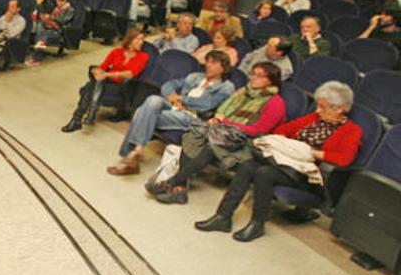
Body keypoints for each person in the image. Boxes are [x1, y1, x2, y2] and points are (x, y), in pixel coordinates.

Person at [194, 82, 362, 242]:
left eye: (323, 107)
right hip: (284, 163)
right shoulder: (313, 118)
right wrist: (287, 146)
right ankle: (223, 216)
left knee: (263, 171)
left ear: (340, 109)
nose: (317, 110)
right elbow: (283, 130)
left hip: (307, 175)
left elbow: (344, 158)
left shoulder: (352, 131)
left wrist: (309, 153)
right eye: (317, 105)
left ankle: (257, 224)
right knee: (248, 166)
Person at [148, 62, 287, 204]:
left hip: (248, 142)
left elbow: (258, 130)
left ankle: (171, 182)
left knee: (211, 146)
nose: (253, 78)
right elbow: (222, 110)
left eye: (260, 76)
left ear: (271, 80)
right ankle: (180, 190)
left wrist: (225, 122)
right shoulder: (244, 91)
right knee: (193, 135)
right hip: (226, 132)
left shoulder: (276, 103)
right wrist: (217, 120)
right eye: (253, 74)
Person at [107, 51, 235, 175]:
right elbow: (169, 84)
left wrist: (182, 99)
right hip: (175, 107)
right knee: (153, 100)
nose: (208, 65)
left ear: (223, 68)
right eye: (207, 61)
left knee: (142, 112)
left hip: (192, 117)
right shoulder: (195, 76)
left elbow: (206, 104)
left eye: (213, 63)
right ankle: (137, 151)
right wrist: (171, 95)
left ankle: (132, 155)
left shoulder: (226, 87)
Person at [60, 29, 149, 132]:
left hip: (122, 86)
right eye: (139, 39)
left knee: (90, 87)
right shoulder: (116, 52)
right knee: (94, 81)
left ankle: (78, 118)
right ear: (130, 40)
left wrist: (107, 74)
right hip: (106, 82)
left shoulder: (143, 56)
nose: (141, 42)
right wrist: (96, 71)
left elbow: (131, 73)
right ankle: (85, 116)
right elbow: (103, 66)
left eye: (142, 39)